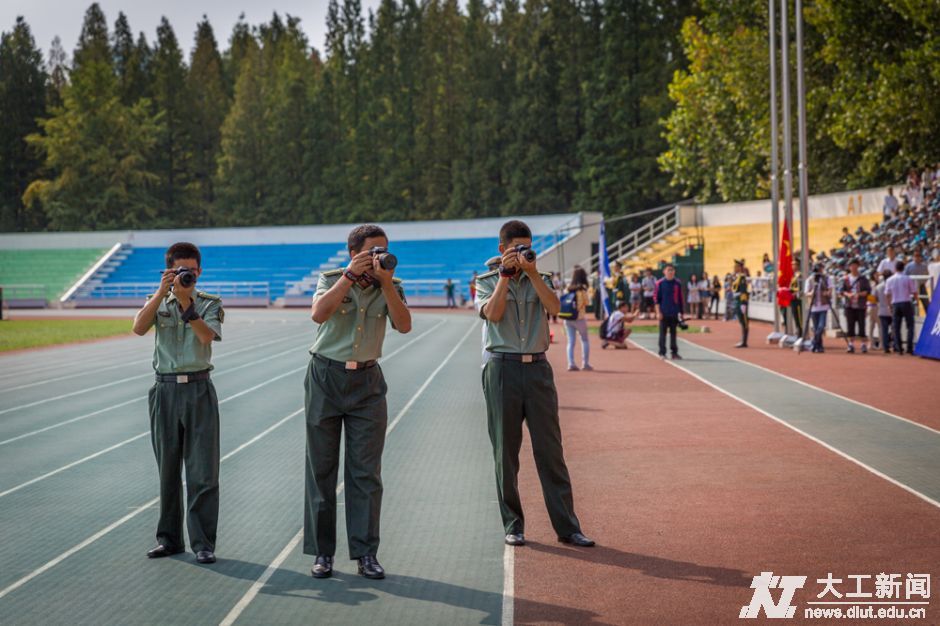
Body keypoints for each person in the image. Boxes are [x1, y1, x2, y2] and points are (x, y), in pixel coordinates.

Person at [476, 220, 594, 549]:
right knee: (506, 453)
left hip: (538, 370)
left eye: (528, 246)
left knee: (551, 451)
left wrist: (530, 274)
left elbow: (556, 309)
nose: (525, 252)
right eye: (517, 247)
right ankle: (513, 524)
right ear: (502, 250)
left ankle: (568, 527)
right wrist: (505, 276)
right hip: (502, 369)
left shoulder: (540, 279)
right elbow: (495, 314)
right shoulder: (486, 281)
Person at [305, 224, 412, 580]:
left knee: (366, 472)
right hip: (326, 377)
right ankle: (323, 553)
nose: (380, 256)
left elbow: (404, 324)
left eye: (384, 249)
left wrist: (385, 283)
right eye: (373, 250)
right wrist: (350, 277)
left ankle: (366, 553)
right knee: (321, 469)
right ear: (354, 253)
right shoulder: (332, 278)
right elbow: (318, 313)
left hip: (367, 381)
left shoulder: (391, 286)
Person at [132, 242, 224, 565]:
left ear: (200, 272)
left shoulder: (210, 303)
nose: (188, 276)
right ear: (169, 271)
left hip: (199, 389)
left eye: (192, 272)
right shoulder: (156, 302)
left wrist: (187, 306)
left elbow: (206, 336)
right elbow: (138, 328)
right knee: (167, 471)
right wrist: (162, 294)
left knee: (203, 472)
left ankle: (203, 543)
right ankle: (169, 539)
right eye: (180, 270)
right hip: (165, 391)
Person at [562, 266, 592, 371]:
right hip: (579, 318)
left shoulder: (567, 288)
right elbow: (587, 303)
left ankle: (571, 363)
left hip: (567, 318)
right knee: (584, 340)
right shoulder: (582, 290)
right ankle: (585, 363)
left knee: (570, 342)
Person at [885, 260, 917, 355]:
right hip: (906, 302)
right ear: (903, 268)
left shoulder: (889, 279)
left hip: (895, 303)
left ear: (895, 268)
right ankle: (909, 348)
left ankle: (899, 348)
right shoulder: (907, 278)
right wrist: (916, 301)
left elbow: (887, 294)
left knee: (896, 326)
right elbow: (914, 291)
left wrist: (889, 305)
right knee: (910, 326)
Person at [840, 259, 871, 353]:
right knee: (850, 326)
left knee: (862, 326)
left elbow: (868, 291)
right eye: (851, 265)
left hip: (861, 306)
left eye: (854, 265)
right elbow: (841, 291)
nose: (853, 267)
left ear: (858, 266)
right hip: (849, 306)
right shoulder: (845, 279)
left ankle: (863, 345)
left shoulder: (863, 279)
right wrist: (848, 294)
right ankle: (851, 345)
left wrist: (859, 294)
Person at [654, 263, 684, 360]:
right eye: (668, 270)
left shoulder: (677, 283)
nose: (670, 272)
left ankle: (674, 352)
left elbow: (680, 299)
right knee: (663, 333)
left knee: (673, 333)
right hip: (663, 312)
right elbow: (656, 299)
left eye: (672, 270)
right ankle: (662, 352)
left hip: (674, 312)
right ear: (664, 271)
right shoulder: (660, 283)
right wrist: (658, 312)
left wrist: (681, 313)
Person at [804, 265, 831, 353]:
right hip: (813, 307)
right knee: (816, 328)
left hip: (823, 306)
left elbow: (830, 290)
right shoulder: (810, 280)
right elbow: (806, 293)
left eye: (820, 269)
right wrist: (811, 293)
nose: (819, 271)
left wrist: (827, 293)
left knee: (821, 326)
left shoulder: (826, 278)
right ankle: (819, 346)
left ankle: (814, 343)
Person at [904, 250, 930, 315]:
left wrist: (921, 282)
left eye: (918, 256)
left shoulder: (924, 266)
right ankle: (913, 318)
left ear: (921, 257)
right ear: (913, 257)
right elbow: (905, 276)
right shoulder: (908, 266)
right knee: (913, 303)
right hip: (912, 287)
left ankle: (929, 317)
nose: (917, 257)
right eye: (915, 256)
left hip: (921, 286)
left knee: (926, 302)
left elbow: (927, 275)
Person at [874, 271, 893, 353]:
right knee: (894, 329)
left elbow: (875, 298)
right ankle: (895, 345)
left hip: (882, 310)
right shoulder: (893, 286)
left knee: (884, 329)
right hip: (892, 310)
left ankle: (886, 347)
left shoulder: (878, 287)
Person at [732, 259, 749, 348]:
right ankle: (743, 340)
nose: (734, 268)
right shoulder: (737, 277)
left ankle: (744, 341)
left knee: (744, 321)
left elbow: (743, 290)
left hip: (741, 300)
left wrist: (743, 302)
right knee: (741, 321)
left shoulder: (742, 277)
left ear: (739, 267)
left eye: (735, 267)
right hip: (737, 299)